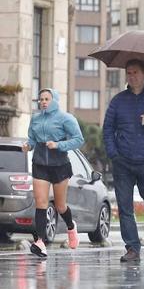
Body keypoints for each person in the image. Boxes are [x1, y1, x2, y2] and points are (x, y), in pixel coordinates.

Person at [103, 59, 144, 262]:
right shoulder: (117, 101)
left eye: (135, 72)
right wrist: (113, 153)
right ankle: (132, 247)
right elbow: (108, 129)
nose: (131, 76)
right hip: (123, 161)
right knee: (125, 207)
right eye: (128, 73)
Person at [22, 89, 84, 258]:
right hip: (40, 163)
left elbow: (79, 139)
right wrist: (28, 145)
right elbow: (32, 139)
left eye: (47, 99)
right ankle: (40, 242)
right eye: (41, 99)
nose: (43, 102)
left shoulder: (66, 118)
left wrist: (59, 145)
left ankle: (71, 227)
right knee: (41, 203)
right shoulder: (35, 118)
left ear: (54, 100)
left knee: (60, 205)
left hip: (60, 165)